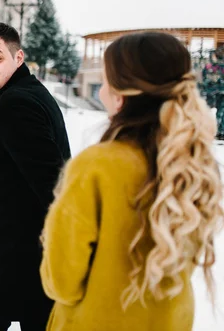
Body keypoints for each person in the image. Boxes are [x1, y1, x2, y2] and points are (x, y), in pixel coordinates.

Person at [40, 32, 224, 331]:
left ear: (120, 94)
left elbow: (61, 284)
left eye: (105, 81)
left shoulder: (95, 167)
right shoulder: (193, 165)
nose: (100, 93)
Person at [0, 22, 71, 330]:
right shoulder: (26, 93)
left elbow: (52, 183)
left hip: (16, 252)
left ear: (18, 58)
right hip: (23, 250)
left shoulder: (16, 103)